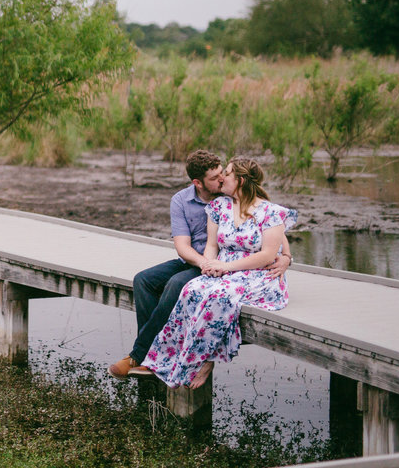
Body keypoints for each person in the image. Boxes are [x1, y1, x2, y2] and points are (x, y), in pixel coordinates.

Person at [107, 150, 291, 379]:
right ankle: (149, 355)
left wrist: (286, 257)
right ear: (198, 182)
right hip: (199, 260)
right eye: (215, 177)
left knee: (177, 286)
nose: (222, 178)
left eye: (224, 173)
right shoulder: (185, 201)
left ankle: (141, 355)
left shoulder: (232, 197)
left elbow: (270, 228)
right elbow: (182, 246)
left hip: (226, 266)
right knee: (143, 280)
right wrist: (208, 263)